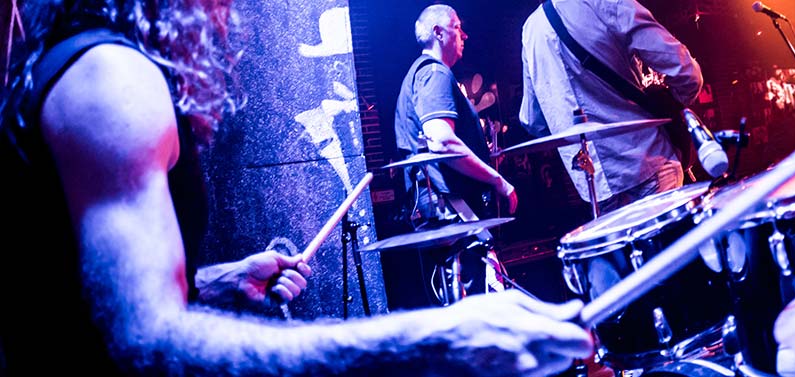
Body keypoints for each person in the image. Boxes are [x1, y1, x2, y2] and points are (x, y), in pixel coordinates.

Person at [0, 1, 591, 375]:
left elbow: (72, 301)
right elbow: (145, 343)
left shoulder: (72, 61)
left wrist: (213, 282)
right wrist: (434, 343)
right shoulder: (111, 77)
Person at [519, 0, 703, 214]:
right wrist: (670, 104)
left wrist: (569, 132)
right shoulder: (606, 3)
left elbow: (532, 120)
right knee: (669, 245)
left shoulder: (530, 30)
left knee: (620, 248)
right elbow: (686, 73)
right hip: (646, 161)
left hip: (594, 184)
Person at [393, 4, 519, 301]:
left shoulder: (418, 75)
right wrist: (498, 181)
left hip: (439, 204)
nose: (464, 34)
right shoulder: (435, 74)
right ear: (438, 32)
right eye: (457, 27)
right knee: (478, 301)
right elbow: (441, 141)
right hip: (452, 206)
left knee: (462, 301)